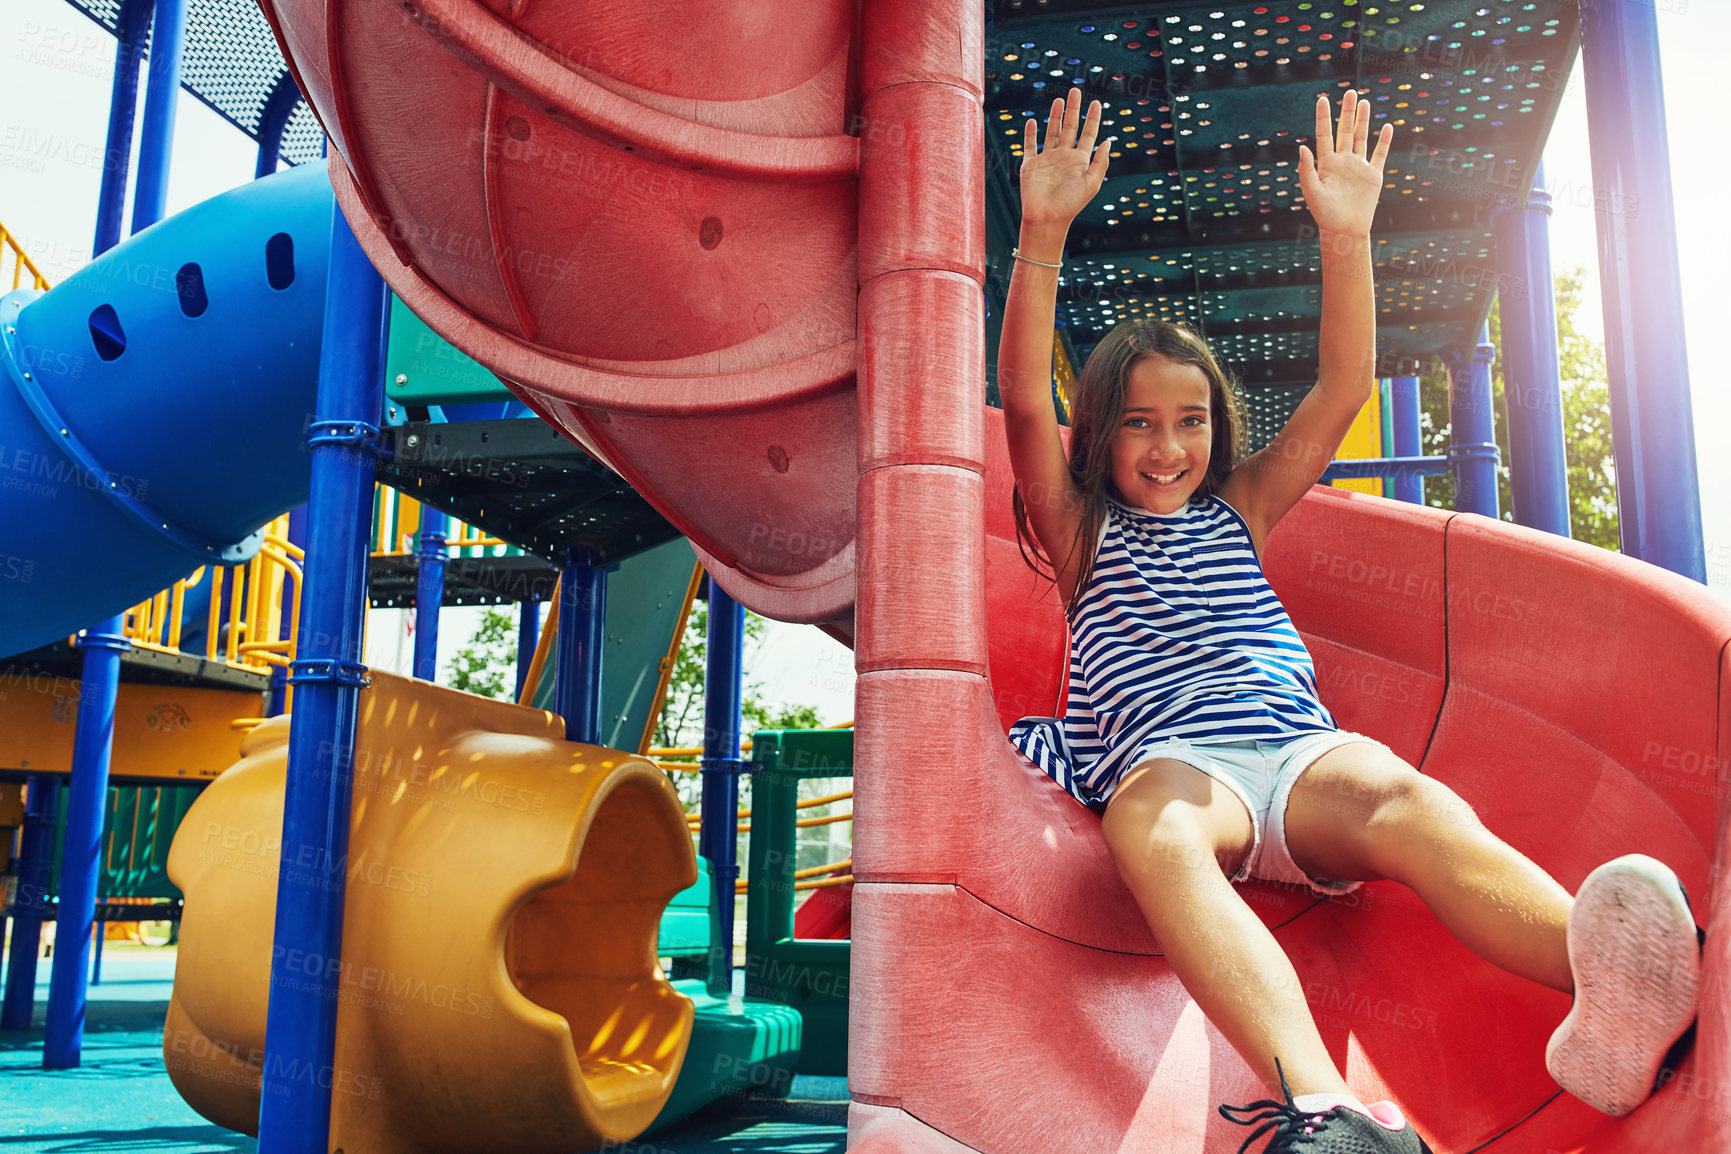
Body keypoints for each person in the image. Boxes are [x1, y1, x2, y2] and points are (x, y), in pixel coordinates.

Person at [997, 86, 1705, 1153]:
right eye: (1139, 422)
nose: (1167, 445)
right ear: (1096, 432)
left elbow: (1340, 387)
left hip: (1297, 753)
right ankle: (1329, 1109)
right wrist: (1043, 231)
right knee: (1159, 830)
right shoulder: (1081, 528)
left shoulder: (1240, 507)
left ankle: (1608, 977)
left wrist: (1347, 235)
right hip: (1176, 765)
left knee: (1410, 801)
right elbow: (1018, 404)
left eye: (1190, 419)